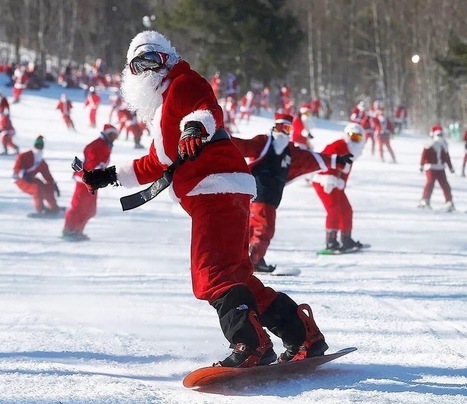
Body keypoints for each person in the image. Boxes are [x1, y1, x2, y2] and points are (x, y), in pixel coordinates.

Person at [78, 30, 328, 367]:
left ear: (168, 59)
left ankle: (251, 344)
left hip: (215, 186)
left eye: (155, 59)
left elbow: (206, 108)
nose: (149, 68)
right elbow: (157, 163)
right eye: (140, 64)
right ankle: (302, 335)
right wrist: (108, 175)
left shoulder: (183, 82)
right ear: (130, 72)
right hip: (224, 187)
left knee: (212, 273)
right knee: (237, 276)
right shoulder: (162, 107)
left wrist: (194, 127)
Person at [232, 113, 353, 272]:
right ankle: (254, 260)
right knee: (264, 228)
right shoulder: (264, 143)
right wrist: (221, 139)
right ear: (274, 127)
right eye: (280, 127)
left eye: (287, 128)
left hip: (268, 197)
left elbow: (310, 159)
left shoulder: (290, 151)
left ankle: (236, 259)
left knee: (251, 229)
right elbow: (243, 145)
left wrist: (336, 160)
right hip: (261, 194)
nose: (283, 132)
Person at [312, 123, 366, 251]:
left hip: (337, 183)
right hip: (324, 182)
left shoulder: (352, 151)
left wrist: (341, 183)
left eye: (357, 138)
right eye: (352, 136)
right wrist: (329, 179)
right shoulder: (339, 145)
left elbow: (345, 172)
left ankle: (346, 239)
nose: (354, 140)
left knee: (346, 209)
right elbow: (326, 159)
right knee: (333, 210)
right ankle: (331, 241)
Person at [62, 124, 119, 241]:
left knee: (90, 209)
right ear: (107, 133)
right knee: (78, 206)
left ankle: (77, 230)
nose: (114, 138)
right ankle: (68, 230)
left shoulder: (106, 144)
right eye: (112, 135)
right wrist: (99, 168)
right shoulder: (98, 144)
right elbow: (90, 156)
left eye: (116, 136)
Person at [12, 136, 62, 214]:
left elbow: (47, 176)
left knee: (47, 187)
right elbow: (16, 168)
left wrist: (53, 184)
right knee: (37, 188)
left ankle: (54, 208)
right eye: (37, 145)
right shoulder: (24, 156)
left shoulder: (41, 162)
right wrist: (23, 173)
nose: (39, 147)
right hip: (20, 179)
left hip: (31, 179)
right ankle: (40, 209)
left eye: (40, 145)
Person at [418, 125, 455, 211]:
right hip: (431, 167)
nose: (440, 137)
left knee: (445, 185)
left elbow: (446, 157)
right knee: (430, 183)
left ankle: (449, 201)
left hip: (440, 168)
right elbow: (424, 155)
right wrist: (421, 165)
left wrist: (450, 167)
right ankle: (425, 200)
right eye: (438, 135)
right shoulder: (429, 144)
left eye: (441, 135)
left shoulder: (443, 145)